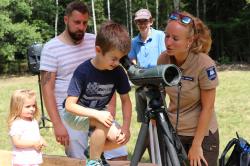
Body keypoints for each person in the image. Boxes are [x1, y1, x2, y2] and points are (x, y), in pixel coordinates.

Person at [39, 0, 128, 161]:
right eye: (77, 22)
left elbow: (107, 76)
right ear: (66, 20)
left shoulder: (95, 41)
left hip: (98, 108)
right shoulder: (51, 48)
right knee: (79, 159)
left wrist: (111, 111)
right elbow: (47, 89)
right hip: (70, 112)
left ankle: (93, 153)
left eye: (85, 23)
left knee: (119, 153)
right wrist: (57, 124)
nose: (81, 27)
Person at [64, 20, 132, 166]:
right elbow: (69, 106)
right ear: (98, 50)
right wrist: (96, 114)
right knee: (104, 121)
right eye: (114, 58)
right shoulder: (83, 71)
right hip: (75, 115)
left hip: (99, 113)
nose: (117, 63)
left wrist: (126, 128)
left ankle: (92, 151)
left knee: (120, 138)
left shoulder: (118, 71)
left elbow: (126, 100)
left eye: (120, 59)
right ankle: (94, 162)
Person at [157, 11, 219, 166]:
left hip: (202, 136)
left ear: (189, 41)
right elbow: (160, 93)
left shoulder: (204, 64)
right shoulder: (163, 59)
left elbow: (208, 107)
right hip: (173, 133)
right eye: (167, 36)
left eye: (175, 38)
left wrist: (197, 145)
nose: (168, 42)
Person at [128, 8, 166, 160]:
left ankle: (161, 157)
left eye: (145, 21)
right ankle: (153, 159)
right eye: (139, 21)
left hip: (158, 86)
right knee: (146, 124)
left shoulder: (160, 36)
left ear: (151, 21)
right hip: (141, 88)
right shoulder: (134, 42)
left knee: (159, 124)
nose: (142, 24)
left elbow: (165, 57)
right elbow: (132, 60)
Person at [7, 89, 47, 166]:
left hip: (33, 159)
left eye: (33, 106)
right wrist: (33, 144)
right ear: (17, 107)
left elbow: (34, 134)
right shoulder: (17, 124)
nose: (32, 109)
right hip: (22, 161)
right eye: (28, 106)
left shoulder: (33, 121)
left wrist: (41, 139)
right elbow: (17, 142)